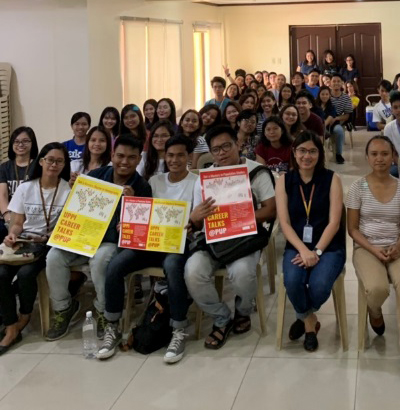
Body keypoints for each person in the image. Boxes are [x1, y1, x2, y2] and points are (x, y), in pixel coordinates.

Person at [97, 136, 198, 363]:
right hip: (152, 244)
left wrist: (193, 222)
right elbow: (144, 214)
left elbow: (199, 219)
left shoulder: (197, 182)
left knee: (172, 266)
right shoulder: (154, 181)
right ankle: (111, 325)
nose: (174, 160)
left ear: (189, 157)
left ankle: (179, 329)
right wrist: (130, 214)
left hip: (179, 244)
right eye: (170, 155)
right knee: (115, 265)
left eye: (180, 155)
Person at [45, 135, 151, 341]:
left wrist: (132, 205)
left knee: (101, 260)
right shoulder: (95, 175)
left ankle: (104, 311)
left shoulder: (142, 187)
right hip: (82, 238)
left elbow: (139, 231)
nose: (124, 161)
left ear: (139, 159)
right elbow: (75, 207)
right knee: (54, 257)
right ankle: (64, 308)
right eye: (120, 156)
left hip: (110, 243)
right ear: (112, 155)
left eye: (131, 157)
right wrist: (76, 188)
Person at [185, 125, 276, 349]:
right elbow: (196, 222)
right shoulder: (204, 179)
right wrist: (195, 216)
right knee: (192, 272)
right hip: (213, 240)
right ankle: (221, 317)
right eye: (216, 150)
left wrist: (238, 218)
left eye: (226, 146)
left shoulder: (257, 172)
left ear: (238, 144)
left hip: (244, 239)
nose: (222, 153)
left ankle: (243, 310)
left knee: (243, 273)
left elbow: (271, 210)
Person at [346, 135, 400, 387]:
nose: (380, 158)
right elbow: (353, 230)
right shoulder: (357, 187)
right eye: (374, 154)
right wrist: (375, 250)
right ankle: (374, 310)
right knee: (377, 289)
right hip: (366, 247)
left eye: (385, 154)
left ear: (393, 157)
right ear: (367, 157)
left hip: (396, 247)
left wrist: (398, 247)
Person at [0, 142, 71, 355]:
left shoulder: (68, 190)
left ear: (64, 164)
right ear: (41, 161)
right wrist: (13, 233)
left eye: (59, 161)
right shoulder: (26, 188)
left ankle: (25, 315)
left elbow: (68, 225)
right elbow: (17, 222)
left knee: (26, 273)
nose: (54, 165)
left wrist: (51, 235)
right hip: (22, 242)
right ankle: (11, 326)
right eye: (50, 160)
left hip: (48, 245)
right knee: (1, 273)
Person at [276, 131, 345, 351]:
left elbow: (334, 223)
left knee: (319, 285)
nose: (307, 156)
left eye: (313, 151)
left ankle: (302, 316)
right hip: (296, 245)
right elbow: (284, 223)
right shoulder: (284, 181)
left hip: (329, 247)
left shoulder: (332, 179)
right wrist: (303, 251)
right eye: (302, 151)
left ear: (320, 153)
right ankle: (309, 323)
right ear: (294, 153)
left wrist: (316, 251)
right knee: (293, 281)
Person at [0, 127, 39, 237]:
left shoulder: (38, 166)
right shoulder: (4, 167)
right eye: (16, 142)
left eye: (25, 141)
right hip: (8, 215)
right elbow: (2, 195)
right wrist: (7, 216)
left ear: (32, 143)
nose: (20, 144)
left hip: (31, 215)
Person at [383, 91, 400, 176]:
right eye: (395, 107)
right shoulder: (388, 128)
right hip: (398, 162)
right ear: (392, 110)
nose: (399, 110)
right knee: (390, 173)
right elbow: (393, 152)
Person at [328, 74, 353, 164]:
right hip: (324, 120)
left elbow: (347, 115)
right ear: (330, 83)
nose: (336, 83)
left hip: (336, 121)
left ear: (342, 83)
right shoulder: (326, 94)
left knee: (339, 131)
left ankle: (338, 154)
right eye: (334, 81)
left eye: (338, 81)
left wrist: (336, 119)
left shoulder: (346, 97)